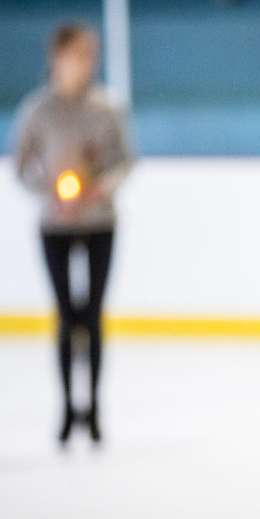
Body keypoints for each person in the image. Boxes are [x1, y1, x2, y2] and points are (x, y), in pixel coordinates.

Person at [11, 23, 134, 445]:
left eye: (91, 53)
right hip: (56, 224)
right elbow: (22, 165)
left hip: (99, 220)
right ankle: (67, 406)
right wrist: (48, 192)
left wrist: (102, 186)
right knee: (66, 314)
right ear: (57, 57)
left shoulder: (106, 107)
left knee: (93, 313)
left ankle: (94, 406)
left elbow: (125, 159)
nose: (88, 61)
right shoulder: (38, 110)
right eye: (80, 53)